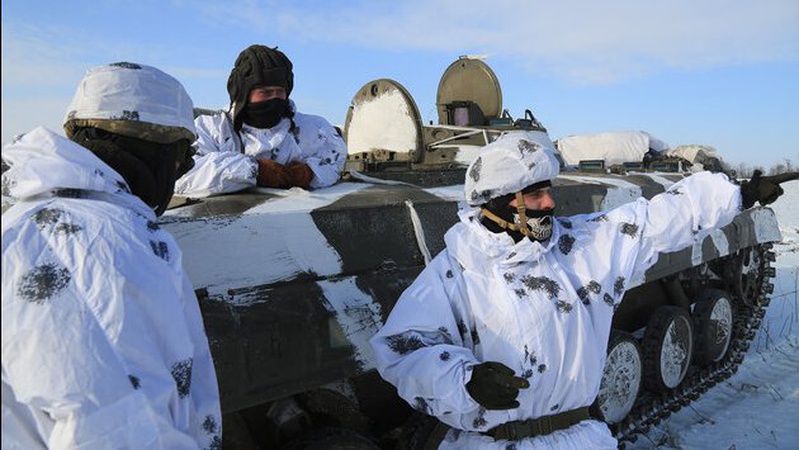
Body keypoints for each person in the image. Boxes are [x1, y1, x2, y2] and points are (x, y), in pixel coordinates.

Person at [369, 131, 796, 449]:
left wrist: (737, 193)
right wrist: (463, 380)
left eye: (547, 191)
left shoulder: (578, 248)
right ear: (498, 202)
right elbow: (403, 349)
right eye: (534, 195)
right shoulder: (457, 272)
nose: (549, 204)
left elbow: (656, 220)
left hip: (579, 439)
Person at [2, 62, 222, 449]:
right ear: (154, 147)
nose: (179, 173)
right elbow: (118, 433)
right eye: (181, 159)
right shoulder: (96, 244)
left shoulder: (33, 216)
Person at [174, 44, 347, 197]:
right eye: (265, 92)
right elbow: (183, 175)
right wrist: (254, 170)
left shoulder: (314, 129)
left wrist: (310, 172)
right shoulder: (210, 129)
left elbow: (336, 158)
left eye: (280, 92)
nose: (274, 99)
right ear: (242, 93)